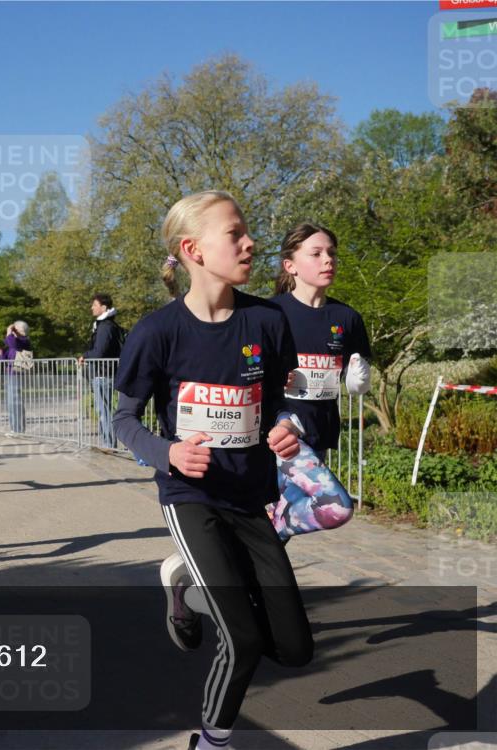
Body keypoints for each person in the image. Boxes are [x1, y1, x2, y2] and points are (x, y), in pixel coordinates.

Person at [112, 191, 312, 750]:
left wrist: (288, 425)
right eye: (235, 233)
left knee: (294, 649)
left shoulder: (267, 320)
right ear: (193, 249)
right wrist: (168, 453)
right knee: (241, 640)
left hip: (251, 498)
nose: (250, 242)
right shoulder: (157, 331)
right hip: (190, 496)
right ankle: (211, 741)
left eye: (247, 231)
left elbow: (283, 400)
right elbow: (123, 420)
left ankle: (186, 586)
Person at [267, 222, 372, 541]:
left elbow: (354, 378)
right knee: (332, 505)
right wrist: (270, 375)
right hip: (280, 432)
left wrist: (357, 382)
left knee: (283, 519)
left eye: (332, 253)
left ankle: (217, 566)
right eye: (316, 253)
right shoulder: (270, 313)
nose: (328, 260)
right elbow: (242, 369)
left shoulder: (347, 318)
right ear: (290, 265)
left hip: (320, 430)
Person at [78, 293, 125, 448]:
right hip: (106, 372)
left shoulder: (105, 327)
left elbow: (99, 352)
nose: (91, 307)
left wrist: (85, 356)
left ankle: (109, 444)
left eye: (94, 305)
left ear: (103, 308)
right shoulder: (109, 325)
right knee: (104, 409)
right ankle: (108, 443)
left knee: (104, 410)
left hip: (103, 373)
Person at [0, 320, 32, 435]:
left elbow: (11, 342)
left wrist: (9, 331)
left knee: (15, 403)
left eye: (14, 330)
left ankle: (18, 430)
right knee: (11, 403)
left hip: (17, 375)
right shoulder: (16, 343)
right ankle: (15, 429)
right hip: (10, 375)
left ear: (18, 331)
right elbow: (5, 357)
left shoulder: (24, 341)